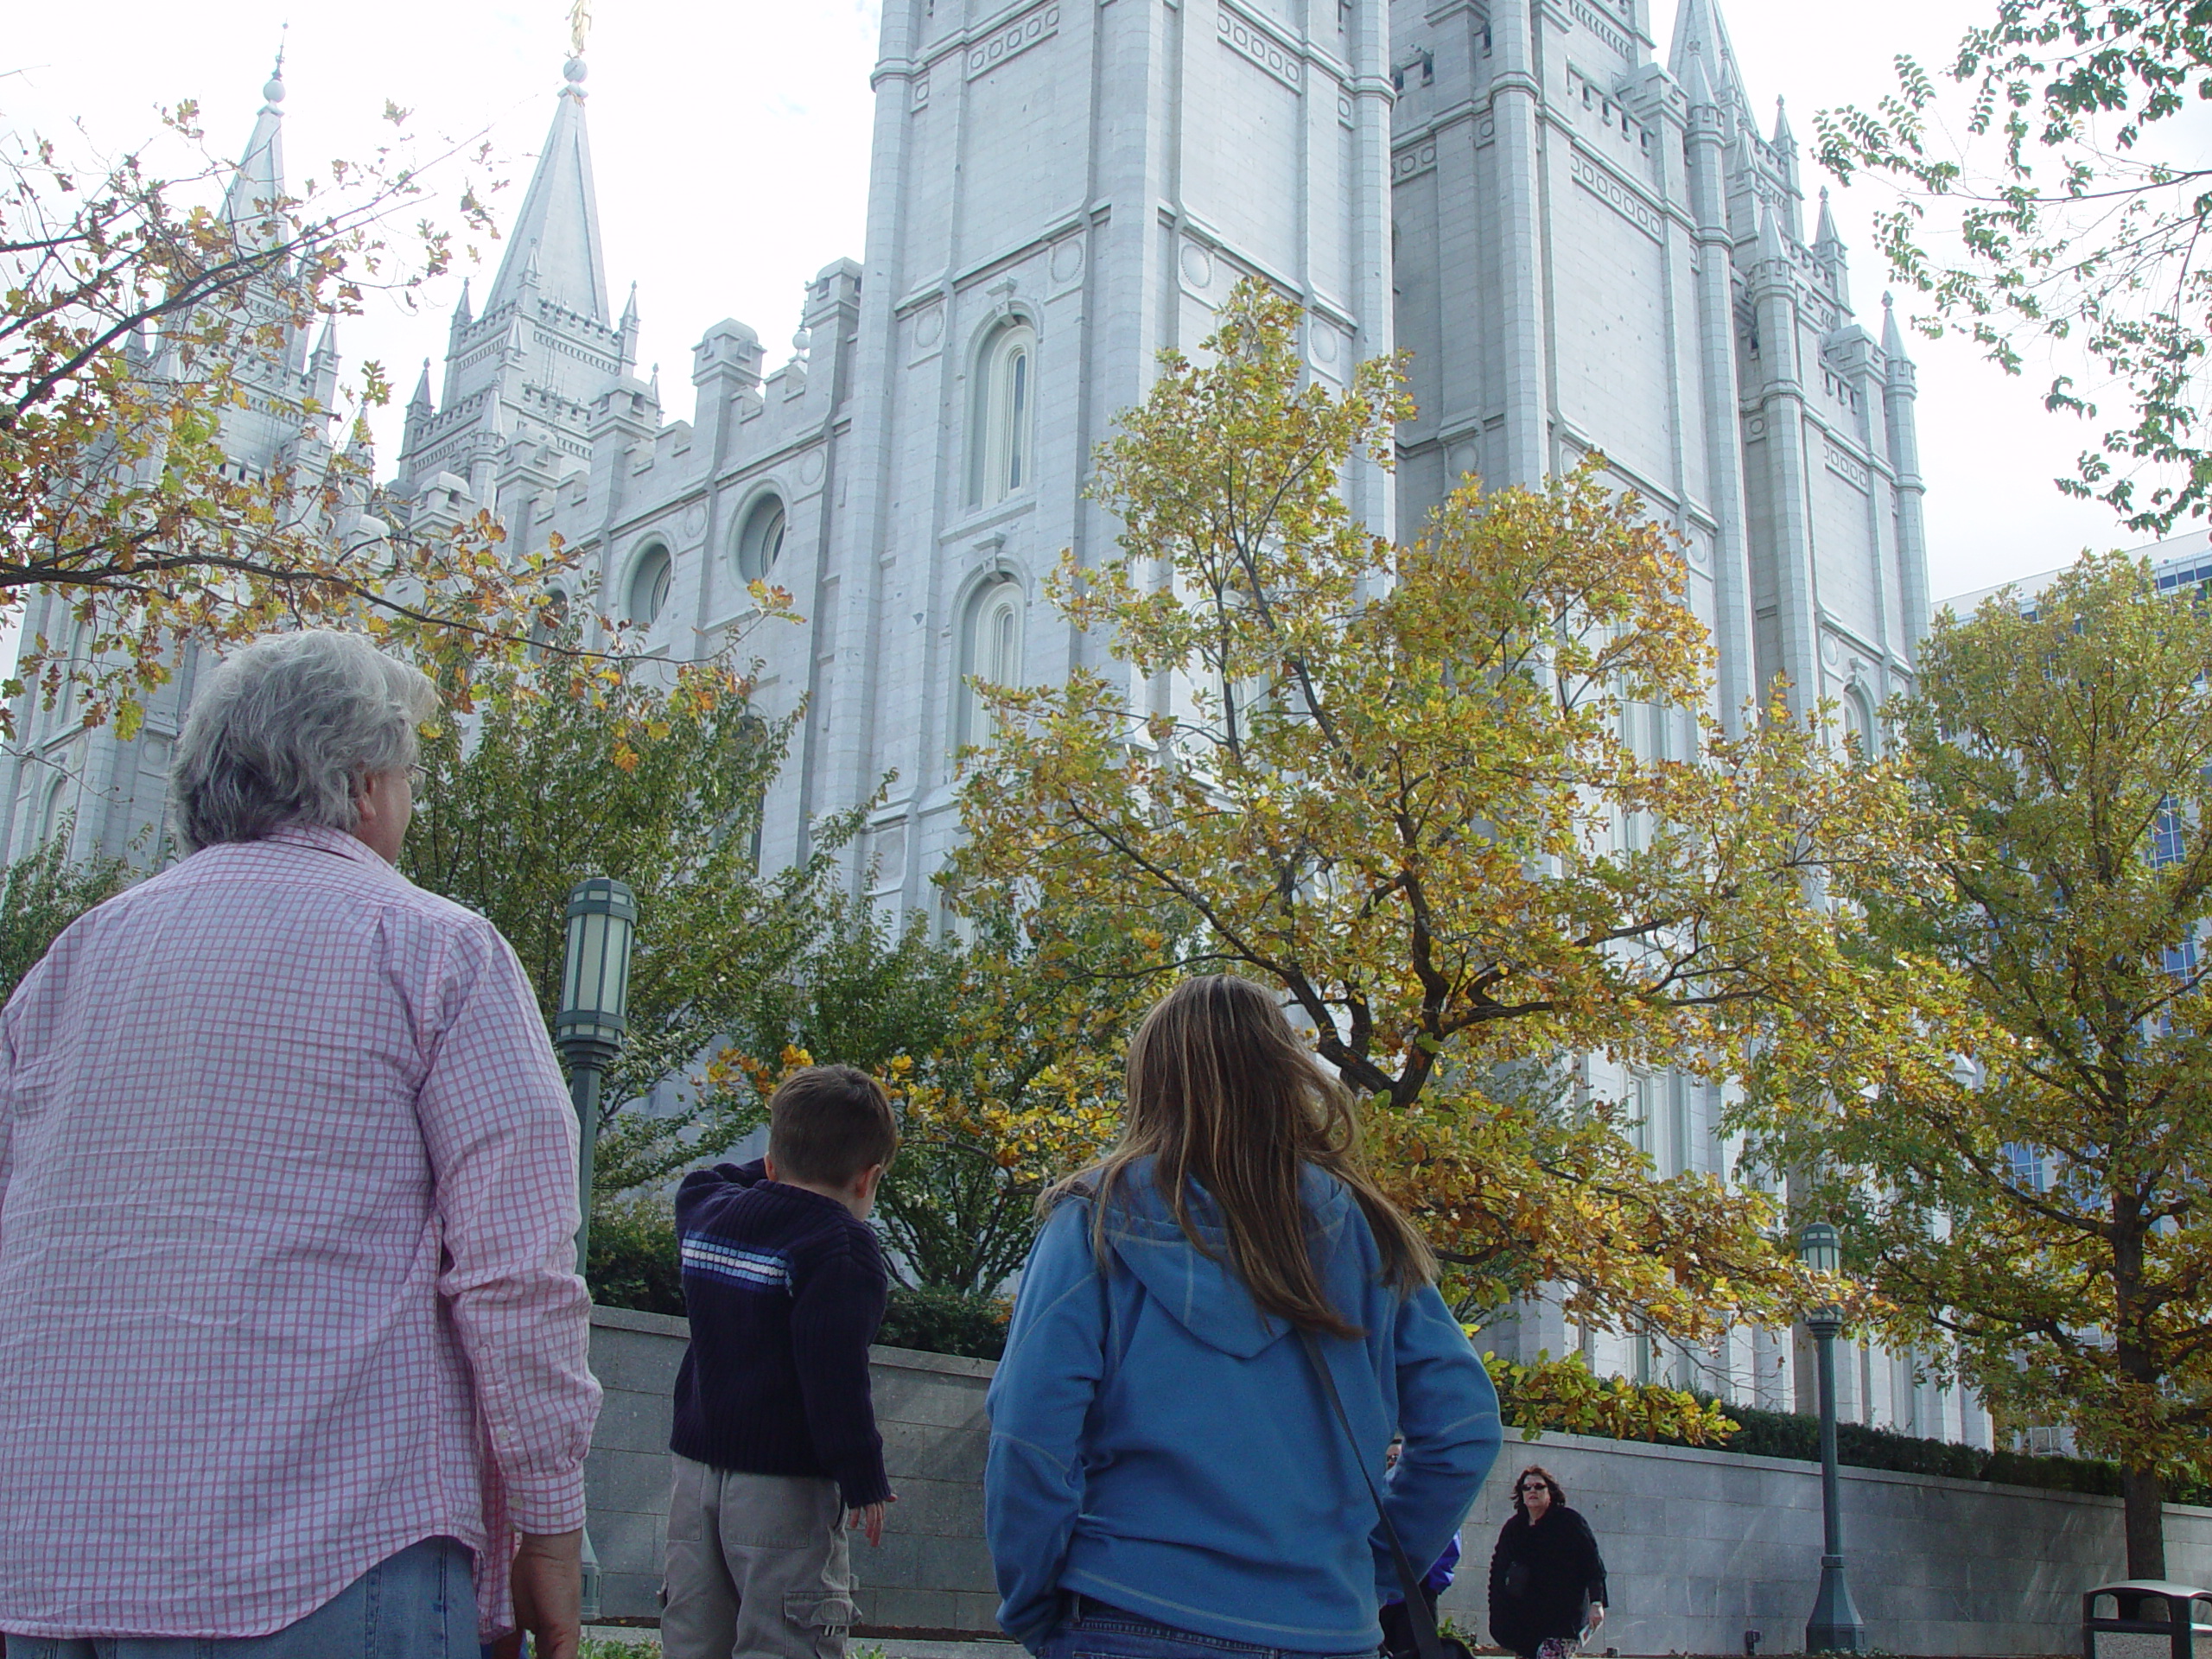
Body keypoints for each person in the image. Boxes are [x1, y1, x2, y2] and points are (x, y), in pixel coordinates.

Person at [0, 630, 601, 1658]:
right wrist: (549, 1527)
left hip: (47, 1563)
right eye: (411, 777)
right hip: (327, 1556)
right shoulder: (439, 951)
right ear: (365, 783)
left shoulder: (69, 963)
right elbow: (517, 1278)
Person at [984, 974, 1503, 1659]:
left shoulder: (1095, 1219)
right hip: (1325, 1630)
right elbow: (1465, 1428)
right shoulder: (1366, 1232)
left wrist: (1030, 1601)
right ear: (1284, 1070)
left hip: (1131, 1610)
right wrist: (1365, 1570)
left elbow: (1029, 1433)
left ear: (1152, 1080)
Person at [662, 1064, 900, 1659]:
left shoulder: (709, 1210)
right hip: (783, 1490)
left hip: (694, 1481)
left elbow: (710, 1176)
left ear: (770, 1163)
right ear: (868, 1179)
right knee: (785, 1642)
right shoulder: (842, 1249)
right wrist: (862, 1474)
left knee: (692, 1638)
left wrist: (782, 1172)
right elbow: (835, 1377)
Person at [1485, 1465, 1608, 1659]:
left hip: (1562, 1619)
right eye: (1527, 1488)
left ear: (1550, 1492)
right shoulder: (1514, 1528)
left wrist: (1597, 1602)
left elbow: (1592, 1564)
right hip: (1524, 1622)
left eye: (1538, 1487)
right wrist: (1497, 1612)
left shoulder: (1570, 1522)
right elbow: (1498, 1571)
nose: (1532, 1491)